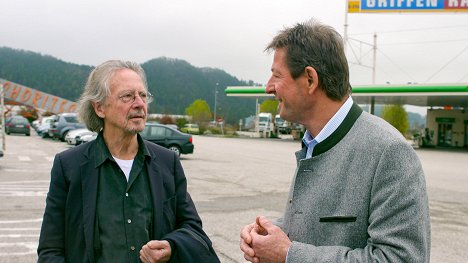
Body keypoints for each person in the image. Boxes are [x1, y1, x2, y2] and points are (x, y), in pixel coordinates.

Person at [240, 20, 431, 262]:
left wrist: (288, 254)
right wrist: (269, 234)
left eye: (277, 76)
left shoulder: (389, 152)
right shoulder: (313, 143)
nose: (268, 88)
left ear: (310, 79)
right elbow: (321, 228)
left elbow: (401, 258)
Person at [38, 60, 220, 263]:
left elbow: (193, 230)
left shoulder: (168, 162)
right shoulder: (68, 166)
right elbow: (50, 249)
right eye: (127, 96)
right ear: (99, 108)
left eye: (143, 95)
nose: (140, 104)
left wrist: (171, 246)